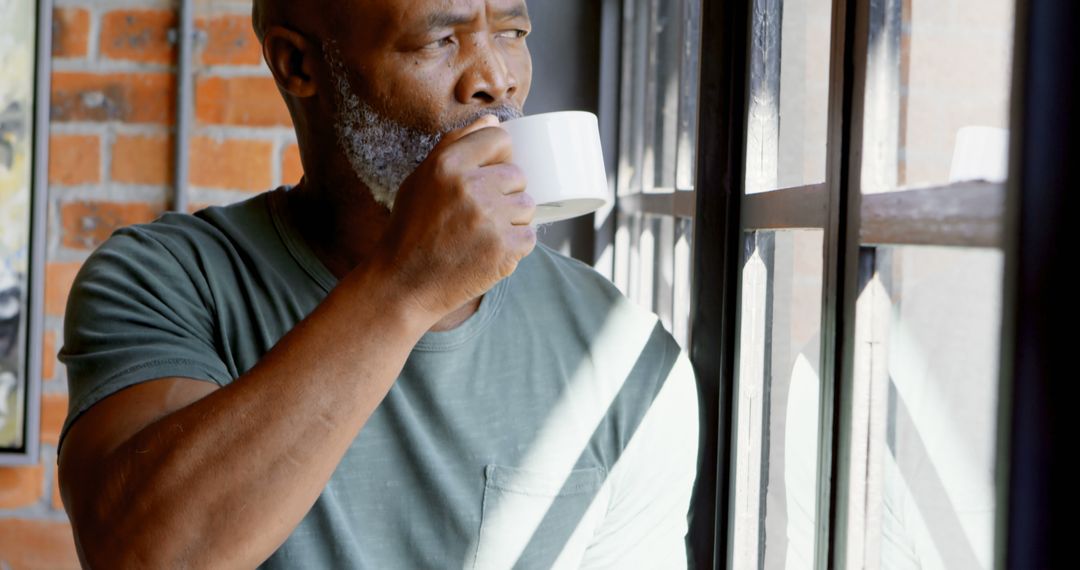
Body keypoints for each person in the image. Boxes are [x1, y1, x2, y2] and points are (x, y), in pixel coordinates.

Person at [56, 0, 700, 567]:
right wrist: (403, 287)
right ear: (297, 64)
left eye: (512, 32)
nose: (496, 80)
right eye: (439, 41)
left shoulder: (625, 358)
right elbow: (143, 555)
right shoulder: (163, 281)